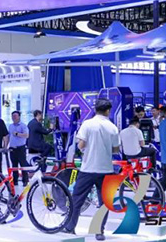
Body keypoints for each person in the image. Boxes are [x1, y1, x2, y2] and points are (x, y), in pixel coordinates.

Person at [62, 99, 119, 240]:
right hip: (106, 170)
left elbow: (81, 145)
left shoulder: (87, 124)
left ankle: (70, 227)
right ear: (108, 111)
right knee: (104, 203)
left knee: (77, 199)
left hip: (88, 169)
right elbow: (116, 149)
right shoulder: (113, 127)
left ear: (95, 109)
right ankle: (99, 232)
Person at [7, 111, 30, 185]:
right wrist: (6, 146)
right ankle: (15, 180)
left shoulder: (23, 126)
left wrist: (17, 134)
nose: (14, 117)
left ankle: (25, 180)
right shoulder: (10, 126)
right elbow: (8, 136)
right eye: (13, 116)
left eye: (15, 116)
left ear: (19, 116)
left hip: (20, 148)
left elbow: (26, 135)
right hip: (12, 148)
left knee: (23, 164)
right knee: (14, 165)